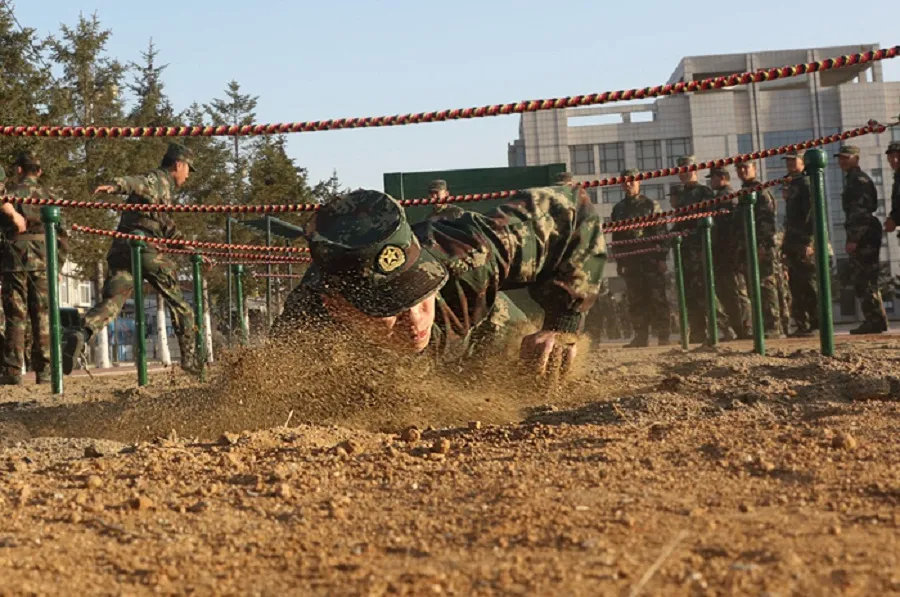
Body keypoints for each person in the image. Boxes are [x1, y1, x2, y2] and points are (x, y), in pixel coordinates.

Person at [274, 185, 606, 375]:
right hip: (396, 383)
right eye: (391, 307)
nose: (415, 319)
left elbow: (574, 210)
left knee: (540, 376)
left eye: (421, 291)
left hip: (486, 337)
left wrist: (562, 323)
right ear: (339, 307)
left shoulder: (467, 254)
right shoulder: (307, 329)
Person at [63, 143, 201, 374]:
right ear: (178, 164)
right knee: (182, 305)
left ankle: (82, 332)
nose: (188, 176)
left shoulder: (162, 193)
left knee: (112, 302)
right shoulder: (157, 180)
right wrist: (115, 185)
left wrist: (195, 250)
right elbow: (137, 183)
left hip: (121, 251)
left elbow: (167, 227)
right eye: (188, 169)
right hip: (145, 249)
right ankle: (190, 359)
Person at [0, 152, 66, 385]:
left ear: (19, 170)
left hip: (13, 260)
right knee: (43, 317)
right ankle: (46, 372)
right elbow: (62, 235)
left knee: (15, 317)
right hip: (43, 260)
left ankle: (12, 372)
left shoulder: (8, 196)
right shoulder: (50, 196)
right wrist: (57, 265)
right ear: (38, 171)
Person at [610, 169, 670, 347]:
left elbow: (661, 233)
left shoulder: (650, 205)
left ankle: (663, 336)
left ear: (639, 182)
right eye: (625, 182)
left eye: (632, 181)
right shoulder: (618, 209)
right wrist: (619, 261)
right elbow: (616, 238)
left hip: (650, 259)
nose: (628, 185)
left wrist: (661, 258)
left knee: (657, 297)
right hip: (630, 261)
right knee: (636, 299)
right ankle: (640, 335)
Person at [670, 156, 725, 344]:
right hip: (685, 250)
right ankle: (697, 331)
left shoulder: (704, 192)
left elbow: (711, 221)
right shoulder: (682, 196)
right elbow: (680, 223)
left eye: (687, 169)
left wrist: (708, 247)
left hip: (700, 247)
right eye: (681, 170)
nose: (683, 173)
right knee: (690, 293)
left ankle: (722, 328)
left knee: (706, 290)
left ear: (695, 170)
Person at [836, 145, 888, 334]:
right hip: (865, 231)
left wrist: (854, 238)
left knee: (864, 278)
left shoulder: (858, 181)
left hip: (865, 233)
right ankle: (876, 319)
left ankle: (874, 320)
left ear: (856, 159)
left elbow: (860, 212)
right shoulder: (853, 179)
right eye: (840, 158)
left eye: (846, 157)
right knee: (864, 278)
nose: (842, 161)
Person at [736, 159, 784, 338]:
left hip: (761, 247)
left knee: (765, 286)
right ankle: (762, 326)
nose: (742, 171)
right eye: (739, 168)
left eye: (746, 167)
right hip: (748, 247)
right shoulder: (744, 192)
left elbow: (767, 221)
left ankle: (773, 326)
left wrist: (762, 246)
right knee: (754, 288)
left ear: (754, 169)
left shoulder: (760, 191)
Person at [707, 167, 751, 339]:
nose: (711, 181)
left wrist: (734, 248)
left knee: (737, 291)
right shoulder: (719, 197)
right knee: (727, 293)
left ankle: (745, 328)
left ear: (723, 178)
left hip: (729, 250)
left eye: (714, 178)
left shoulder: (728, 196)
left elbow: (732, 225)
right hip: (721, 251)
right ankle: (738, 328)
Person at [780, 152, 817, 336]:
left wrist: (808, 241)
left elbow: (811, 215)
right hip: (793, 241)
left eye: (793, 160)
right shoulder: (792, 184)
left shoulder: (806, 183)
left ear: (803, 162)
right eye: (787, 161)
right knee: (796, 285)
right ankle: (802, 324)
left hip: (803, 241)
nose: (790, 164)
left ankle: (817, 324)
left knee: (809, 284)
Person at [884, 142, 900, 235]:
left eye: (897, 156)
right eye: (890, 157)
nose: (894, 160)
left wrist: (894, 219)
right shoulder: (897, 177)